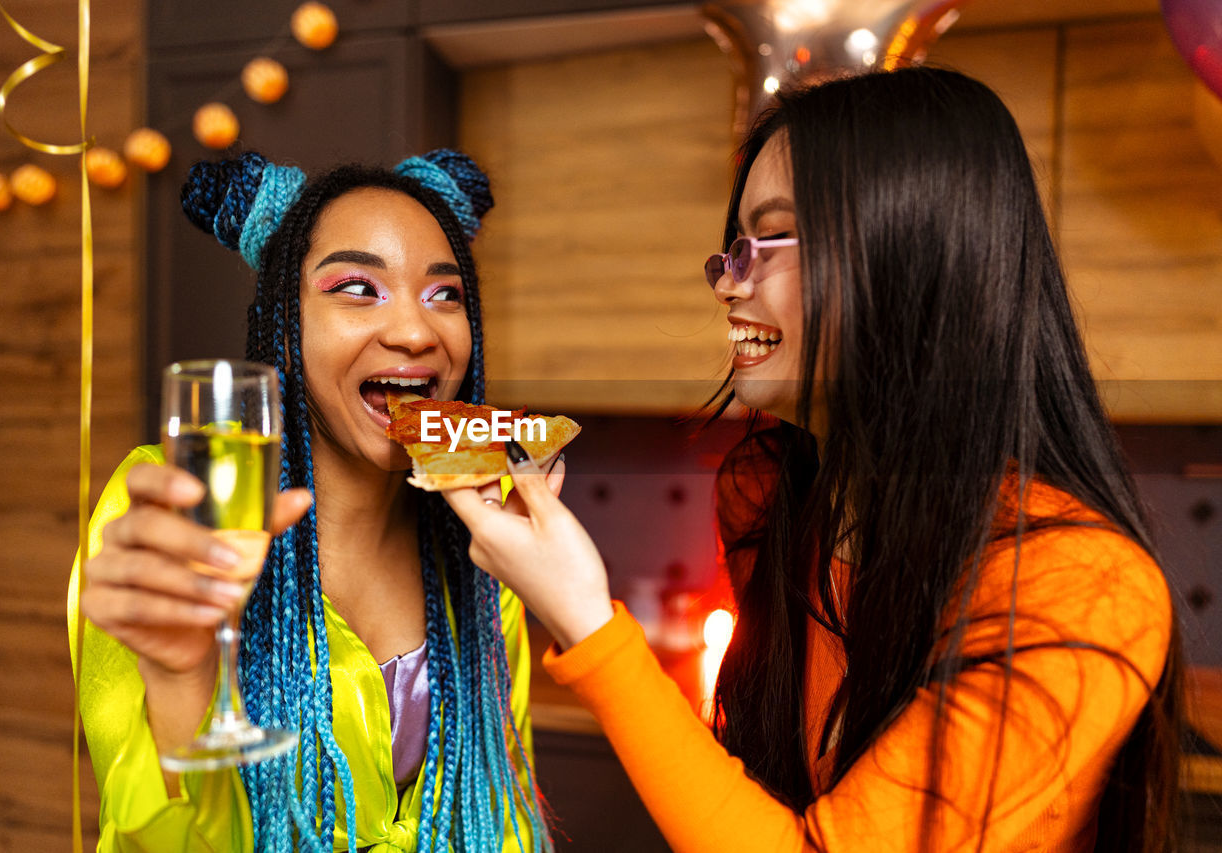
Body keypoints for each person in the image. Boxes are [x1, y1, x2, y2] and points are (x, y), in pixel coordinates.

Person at [444, 67, 1181, 852]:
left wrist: (585, 619)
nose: (729, 282)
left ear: (912, 253)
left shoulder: (1086, 586)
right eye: (733, 248)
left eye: (771, 239)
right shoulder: (774, 496)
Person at [68, 149, 557, 852]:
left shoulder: (481, 523)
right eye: (358, 288)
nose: (417, 332)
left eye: (444, 294)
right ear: (285, 331)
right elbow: (153, 835)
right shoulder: (182, 505)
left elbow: (505, 814)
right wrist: (184, 685)